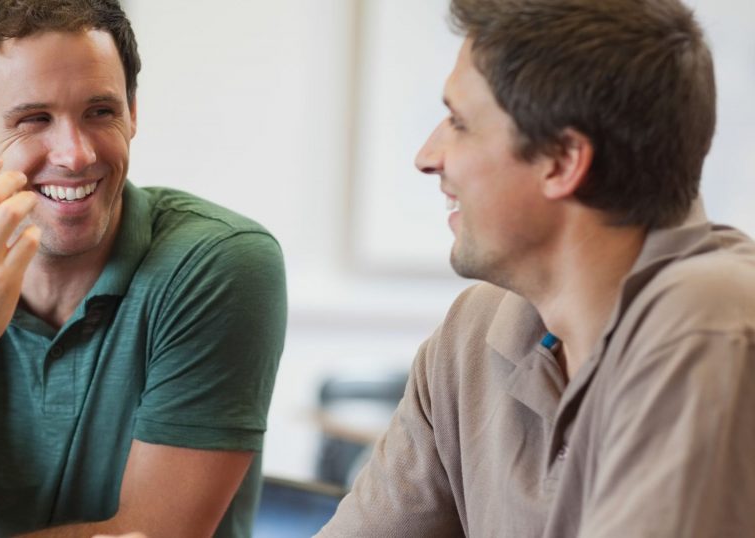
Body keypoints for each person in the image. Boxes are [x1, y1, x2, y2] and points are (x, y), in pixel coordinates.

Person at [0, 1, 287, 537]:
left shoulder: (217, 262)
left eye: (100, 111)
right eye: (34, 120)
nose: (75, 154)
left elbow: (154, 533)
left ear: (132, 111)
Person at [319, 0, 755, 536]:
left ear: (562, 161)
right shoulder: (473, 332)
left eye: (460, 123)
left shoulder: (711, 323)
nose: (428, 156)